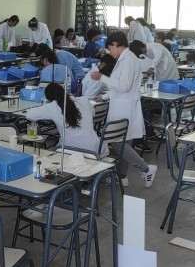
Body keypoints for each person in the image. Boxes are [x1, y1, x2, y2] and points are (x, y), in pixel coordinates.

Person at [92, 32, 157, 188]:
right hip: (122, 104)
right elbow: (120, 85)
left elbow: (124, 85)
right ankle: (122, 177)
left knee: (117, 142)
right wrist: (105, 96)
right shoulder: (124, 59)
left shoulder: (127, 60)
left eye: (109, 48)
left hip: (124, 107)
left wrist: (101, 77)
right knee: (123, 142)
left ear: (116, 44)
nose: (109, 52)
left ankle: (146, 169)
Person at [26, 83, 103, 155]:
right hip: (95, 149)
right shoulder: (84, 100)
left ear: (49, 98)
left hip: (69, 150)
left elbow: (29, 115)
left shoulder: (53, 106)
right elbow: (93, 113)